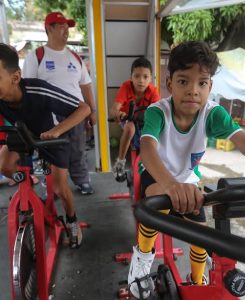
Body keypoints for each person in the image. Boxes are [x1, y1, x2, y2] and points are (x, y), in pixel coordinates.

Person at [127, 41, 245, 299]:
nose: (193, 91)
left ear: (210, 86)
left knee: (202, 234)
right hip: (158, 174)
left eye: (202, 83)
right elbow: (148, 148)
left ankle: (198, 279)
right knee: (156, 202)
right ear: (169, 83)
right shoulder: (158, 112)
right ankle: (142, 256)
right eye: (184, 82)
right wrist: (172, 185)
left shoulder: (212, 114)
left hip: (186, 180)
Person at [0, 43, 91, 248]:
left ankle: (71, 220)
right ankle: (31, 192)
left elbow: (84, 109)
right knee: (4, 166)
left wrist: (57, 131)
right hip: (23, 135)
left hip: (52, 137)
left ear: (15, 78)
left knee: (59, 187)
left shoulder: (38, 90)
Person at [22, 12, 96, 195]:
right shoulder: (37, 56)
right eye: (61, 26)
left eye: (67, 26)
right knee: (49, 152)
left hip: (76, 112)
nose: (66, 30)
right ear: (49, 29)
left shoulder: (75, 57)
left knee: (78, 149)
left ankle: (82, 181)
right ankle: (51, 186)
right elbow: (28, 89)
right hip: (48, 114)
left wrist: (92, 110)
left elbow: (86, 86)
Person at [109, 57, 160, 182]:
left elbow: (159, 112)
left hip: (145, 122)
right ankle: (120, 163)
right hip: (128, 119)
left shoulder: (153, 91)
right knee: (130, 127)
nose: (141, 81)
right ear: (131, 77)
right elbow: (115, 108)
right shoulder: (126, 87)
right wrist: (118, 113)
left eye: (145, 77)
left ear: (151, 78)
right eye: (136, 76)